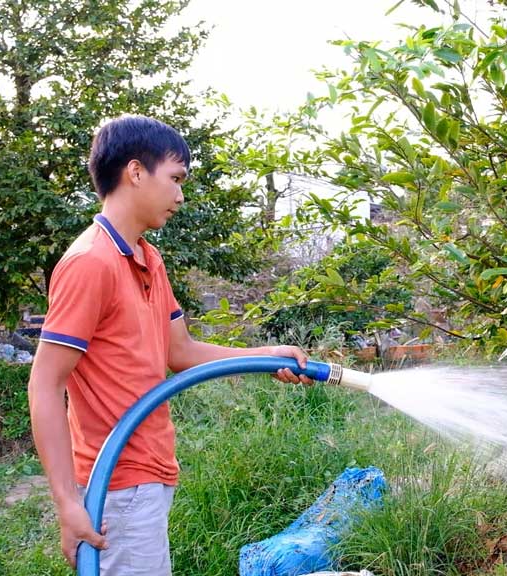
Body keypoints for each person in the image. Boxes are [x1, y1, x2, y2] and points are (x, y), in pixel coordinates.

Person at [27, 115, 313, 575]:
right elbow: (44, 385)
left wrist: (265, 357)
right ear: (136, 172)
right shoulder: (90, 263)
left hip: (150, 473)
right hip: (117, 483)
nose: (181, 195)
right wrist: (67, 502)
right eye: (175, 179)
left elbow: (178, 353)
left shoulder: (146, 258)